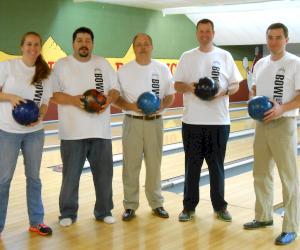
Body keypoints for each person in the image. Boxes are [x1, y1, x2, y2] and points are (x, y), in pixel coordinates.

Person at [174, 19, 242, 222]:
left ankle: (220, 207)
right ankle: (188, 207)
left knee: (217, 166)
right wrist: (191, 87)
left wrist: (223, 92)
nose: (205, 34)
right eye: (201, 31)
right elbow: (177, 84)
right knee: (191, 166)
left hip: (219, 122)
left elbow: (235, 85)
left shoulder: (225, 56)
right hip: (192, 121)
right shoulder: (187, 57)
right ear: (197, 34)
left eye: (208, 31)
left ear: (213, 33)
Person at [51, 27, 120, 227]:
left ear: (92, 44)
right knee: (70, 177)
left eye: (87, 40)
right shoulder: (62, 65)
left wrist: (108, 100)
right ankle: (67, 213)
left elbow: (115, 89)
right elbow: (54, 94)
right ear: (73, 44)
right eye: (79, 40)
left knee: (105, 176)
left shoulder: (102, 63)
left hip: (100, 131)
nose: (84, 44)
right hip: (72, 133)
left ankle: (104, 211)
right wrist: (73, 100)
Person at [243, 23, 300, 246]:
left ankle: (291, 227)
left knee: (288, 178)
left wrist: (281, 109)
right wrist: (251, 100)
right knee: (261, 173)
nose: (273, 41)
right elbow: (254, 89)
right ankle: (264, 216)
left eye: (278, 37)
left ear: (286, 39)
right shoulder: (260, 64)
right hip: (261, 125)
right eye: (270, 37)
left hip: (283, 123)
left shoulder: (295, 63)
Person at [115, 33, 175, 221]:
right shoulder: (124, 70)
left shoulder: (162, 69)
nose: (142, 47)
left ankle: (156, 203)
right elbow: (116, 98)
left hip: (155, 122)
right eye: (139, 44)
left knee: (154, 165)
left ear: (152, 47)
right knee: (131, 166)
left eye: (146, 44)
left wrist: (162, 106)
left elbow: (170, 95)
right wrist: (131, 106)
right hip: (132, 121)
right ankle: (130, 205)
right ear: (134, 48)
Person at [0, 32, 52, 236]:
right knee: (3, 180)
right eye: (29, 44)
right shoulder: (8, 66)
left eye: (36, 44)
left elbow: (46, 100)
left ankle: (36, 221)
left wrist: (41, 114)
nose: (33, 48)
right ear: (22, 46)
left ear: (40, 48)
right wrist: (9, 97)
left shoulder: (45, 72)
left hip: (35, 133)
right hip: (8, 131)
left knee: (34, 178)